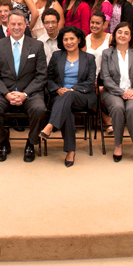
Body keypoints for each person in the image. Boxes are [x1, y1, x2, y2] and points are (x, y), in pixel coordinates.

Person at [0, 11, 47, 162]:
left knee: (40, 109)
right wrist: (6, 93)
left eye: (20, 24)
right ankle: (3, 142)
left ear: (25, 25)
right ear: (7, 25)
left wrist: (25, 94)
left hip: (29, 92)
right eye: (13, 24)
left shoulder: (37, 46)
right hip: (3, 92)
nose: (16, 27)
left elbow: (41, 76)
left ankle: (31, 143)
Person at [38, 25, 96, 167]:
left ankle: (50, 126)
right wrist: (57, 89)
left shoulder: (89, 58)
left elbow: (90, 83)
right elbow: (49, 78)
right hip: (59, 97)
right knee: (67, 110)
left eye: (72, 38)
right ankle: (70, 151)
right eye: (65, 39)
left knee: (68, 97)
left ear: (79, 40)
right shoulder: (57, 56)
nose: (69, 42)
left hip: (82, 96)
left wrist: (73, 90)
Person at [100, 22, 133, 163]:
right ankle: (118, 145)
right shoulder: (107, 53)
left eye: (126, 33)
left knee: (132, 109)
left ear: (130, 37)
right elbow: (106, 78)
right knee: (117, 107)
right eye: (120, 32)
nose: (122, 35)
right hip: (113, 92)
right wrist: (123, 93)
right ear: (114, 35)